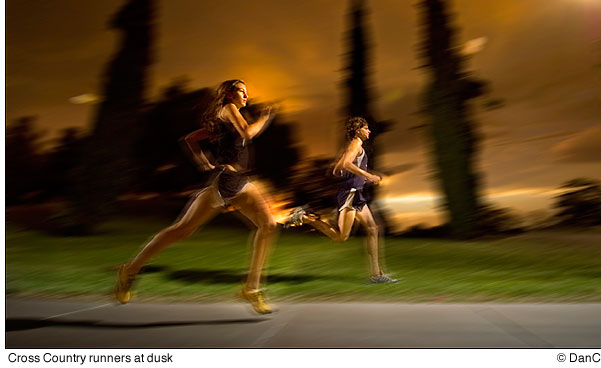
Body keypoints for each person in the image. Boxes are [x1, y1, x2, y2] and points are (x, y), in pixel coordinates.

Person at [115, 79, 277, 314]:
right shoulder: (229, 109)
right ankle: (129, 270)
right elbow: (247, 132)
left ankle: (251, 288)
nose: (246, 95)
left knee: (268, 225)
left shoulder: (223, 120)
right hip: (227, 183)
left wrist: (204, 163)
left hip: (241, 182)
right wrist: (264, 118)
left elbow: (190, 140)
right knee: (182, 230)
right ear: (231, 93)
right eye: (242, 91)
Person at [285, 116, 397, 283]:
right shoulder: (356, 144)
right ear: (358, 130)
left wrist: (356, 177)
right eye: (366, 128)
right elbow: (345, 164)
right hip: (351, 195)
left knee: (373, 228)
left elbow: (338, 168)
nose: (369, 131)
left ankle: (377, 274)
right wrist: (368, 175)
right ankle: (305, 217)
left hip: (355, 193)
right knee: (340, 237)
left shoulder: (353, 145)